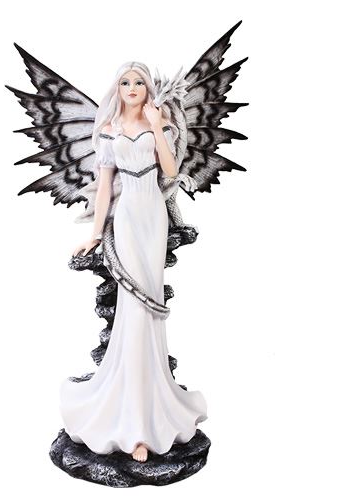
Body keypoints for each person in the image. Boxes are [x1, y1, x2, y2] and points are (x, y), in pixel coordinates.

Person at [60, 61, 208, 463]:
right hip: (126, 219)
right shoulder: (109, 131)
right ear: (117, 88)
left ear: (147, 88)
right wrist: (95, 234)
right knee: (133, 307)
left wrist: (157, 126)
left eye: (138, 82)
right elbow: (104, 187)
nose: (131, 88)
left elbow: (171, 170)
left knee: (151, 306)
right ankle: (131, 422)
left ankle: (153, 410)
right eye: (125, 82)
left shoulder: (161, 124)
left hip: (153, 216)